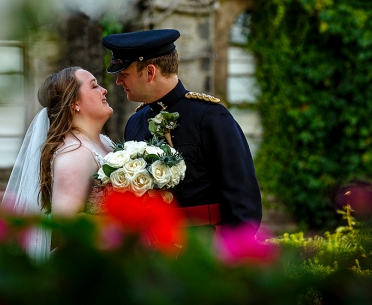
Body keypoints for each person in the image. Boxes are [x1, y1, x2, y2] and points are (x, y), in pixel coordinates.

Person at [103, 29, 262, 235]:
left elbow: (244, 203)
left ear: (150, 73)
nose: (118, 82)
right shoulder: (135, 122)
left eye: (124, 74)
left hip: (203, 249)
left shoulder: (210, 117)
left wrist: (226, 257)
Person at [1, 66, 114, 261]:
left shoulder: (104, 142)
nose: (103, 90)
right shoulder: (74, 154)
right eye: (94, 86)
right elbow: (66, 227)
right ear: (75, 103)